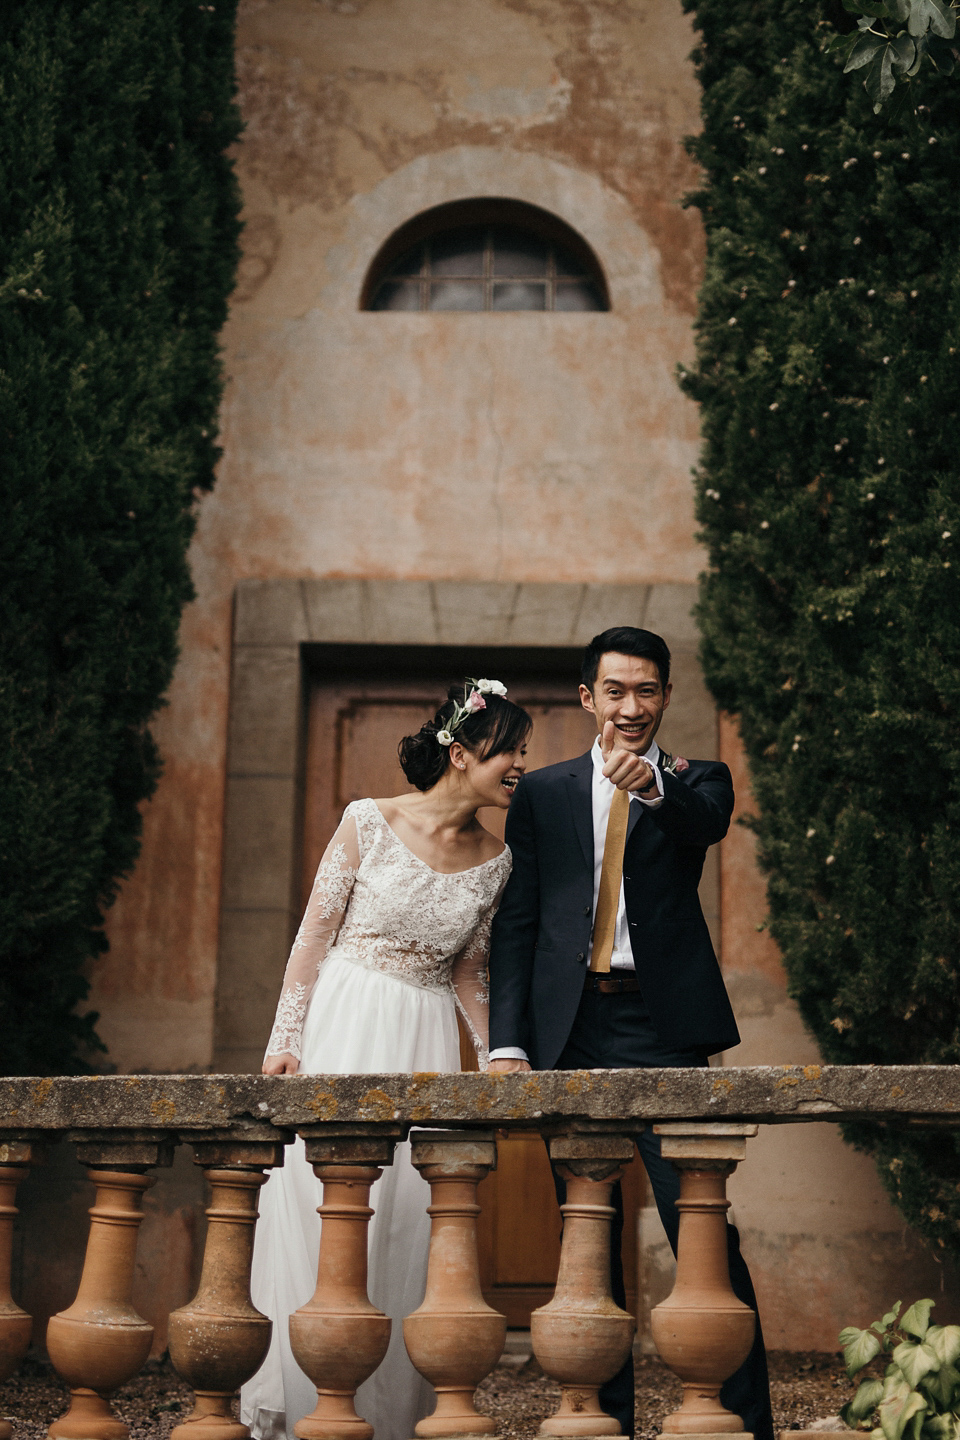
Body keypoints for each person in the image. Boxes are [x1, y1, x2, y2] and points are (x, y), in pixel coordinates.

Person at [486, 626, 774, 1440]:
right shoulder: (540, 793)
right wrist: (508, 1040)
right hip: (568, 1025)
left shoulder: (695, 779)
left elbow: (702, 826)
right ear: (587, 698)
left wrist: (649, 784)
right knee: (589, 1226)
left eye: (647, 690)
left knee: (704, 1226)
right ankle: (603, 1420)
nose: (631, 706)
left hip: (662, 1023)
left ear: (667, 697)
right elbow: (519, 921)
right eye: (615, 690)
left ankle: (747, 1425)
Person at [240, 679, 531, 1440]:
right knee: (321, 1208)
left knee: (406, 1219)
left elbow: (469, 971)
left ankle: (385, 1415)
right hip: (347, 1018)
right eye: (511, 749)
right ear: (461, 753)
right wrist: (285, 1042)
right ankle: (309, 1405)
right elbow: (312, 938)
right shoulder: (366, 821)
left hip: (426, 1038)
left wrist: (496, 1052)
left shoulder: (497, 861)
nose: (521, 765)